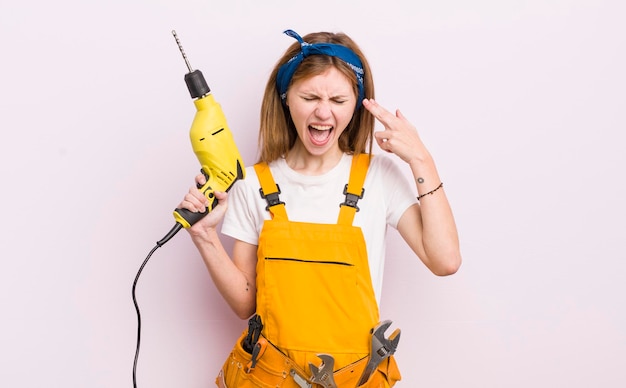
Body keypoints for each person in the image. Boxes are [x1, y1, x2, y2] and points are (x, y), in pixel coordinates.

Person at [177, 29, 461, 388]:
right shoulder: (251, 184)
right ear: (285, 98)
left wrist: (421, 158)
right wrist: (204, 237)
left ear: (357, 104)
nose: (323, 112)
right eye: (309, 96)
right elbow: (245, 304)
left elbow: (445, 260)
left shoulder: (379, 177)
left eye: (339, 100)